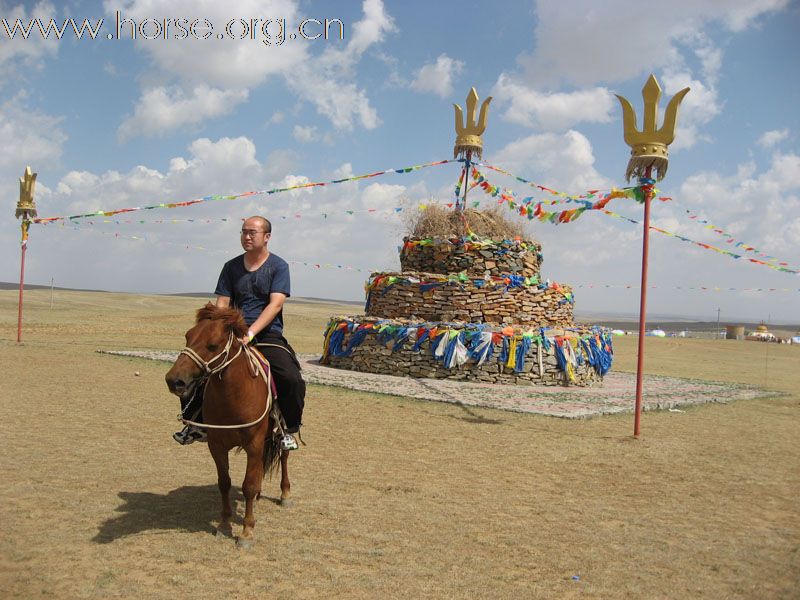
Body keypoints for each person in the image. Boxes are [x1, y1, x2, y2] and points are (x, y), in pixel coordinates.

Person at [174, 216, 306, 451]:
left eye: (252, 232)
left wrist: (252, 332)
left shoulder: (278, 266)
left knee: (290, 377)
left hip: (266, 335)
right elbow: (222, 303)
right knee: (193, 367)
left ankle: (288, 429)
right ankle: (194, 423)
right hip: (232, 334)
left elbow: (275, 304)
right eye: (244, 232)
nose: (247, 236)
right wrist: (216, 330)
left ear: (267, 237)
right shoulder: (231, 267)